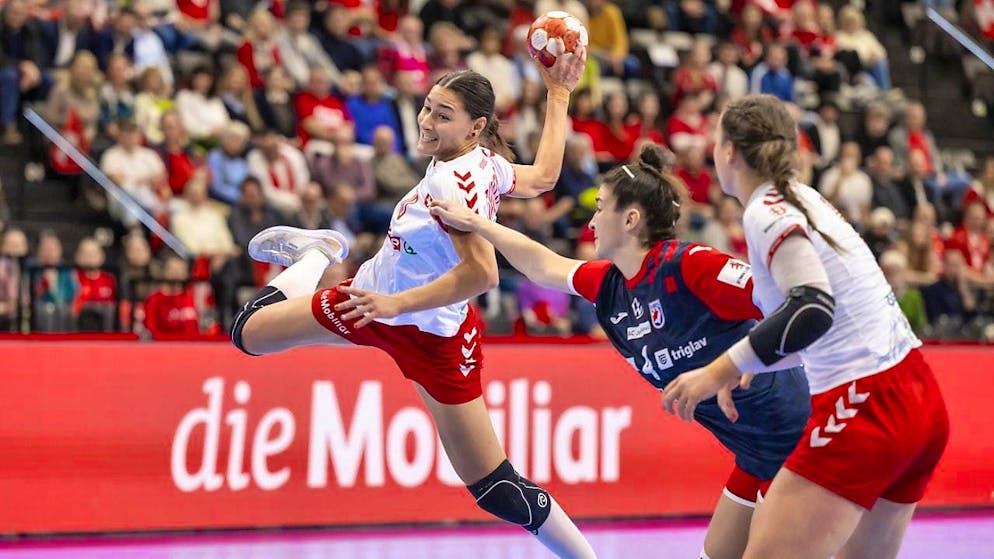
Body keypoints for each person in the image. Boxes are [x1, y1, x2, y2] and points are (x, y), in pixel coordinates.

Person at [228, 44, 597, 559]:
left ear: (475, 127)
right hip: (370, 301)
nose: (425, 121)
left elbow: (482, 274)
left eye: (442, 116)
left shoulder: (455, 181)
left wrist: (399, 306)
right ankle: (316, 254)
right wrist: (559, 93)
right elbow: (542, 177)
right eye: (426, 107)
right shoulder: (483, 161)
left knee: (495, 487)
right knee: (246, 331)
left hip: (427, 332)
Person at [430, 144, 811, 559]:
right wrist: (478, 222)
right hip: (757, 455)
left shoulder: (692, 267)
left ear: (630, 219)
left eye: (600, 208)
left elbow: (799, 304)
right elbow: (543, 265)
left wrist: (750, 359)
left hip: (807, 445)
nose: (591, 220)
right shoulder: (612, 286)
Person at [661, 95, 949, 559]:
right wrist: (758, 363)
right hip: (917, 394)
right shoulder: (803, 198)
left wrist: (717, 370)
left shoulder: (765, 210)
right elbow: (824, 319)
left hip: (868, 401)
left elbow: (814, 307)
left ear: (729, 151)